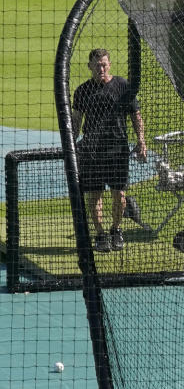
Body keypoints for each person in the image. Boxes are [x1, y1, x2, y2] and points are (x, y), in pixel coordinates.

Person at [71, 48, 147, 253]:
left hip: (117, 149)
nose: (100, 68)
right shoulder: (82, 91)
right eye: (96, 65)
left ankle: (116, 230)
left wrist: (141, 141)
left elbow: (136, 116)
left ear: (110, 64)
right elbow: (76, 121)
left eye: (104, 64)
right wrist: (70, 145)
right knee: (94, 195)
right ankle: (100, 234)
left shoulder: (123, 86)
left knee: (119, 194)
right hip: (91, 151)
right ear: (90, 66)